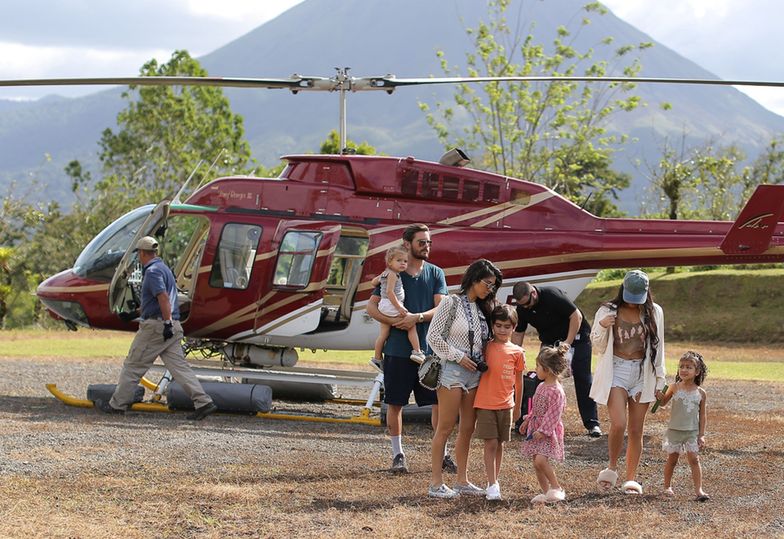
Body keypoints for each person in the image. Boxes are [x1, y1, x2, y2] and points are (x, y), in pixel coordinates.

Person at [95, 236, 218, 421]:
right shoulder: (164, 269)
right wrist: (134, 313)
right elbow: (157, 300)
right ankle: (204, 402)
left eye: (138, 254)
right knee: (180, 369)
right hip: (173, 326)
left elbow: (162, 298)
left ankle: (116, 405)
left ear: (142, 253)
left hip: (157, 327)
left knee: (133, 365)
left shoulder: (152, 272)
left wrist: (166, 323)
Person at [366, 224, 449, 473]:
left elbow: (442, 308)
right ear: (406, 244)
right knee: (395, 403)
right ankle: (398, 455)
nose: (427, 246)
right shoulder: (391, 272)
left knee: (438, 404)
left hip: (430, 352)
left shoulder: (436, 273)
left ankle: (443, 455)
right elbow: (371, 308)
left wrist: (418, 318)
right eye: (421, 242)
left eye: (429, 242)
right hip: (397, 350)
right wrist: (395, 322)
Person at [425, 258, 502, 498]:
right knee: (445, 427)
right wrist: (458, 356)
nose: (490, 290)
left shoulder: (482, 309)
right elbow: (433, 337)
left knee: (468, 428)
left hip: (474, 375)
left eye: (493, 287)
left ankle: (462, 480)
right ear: (475, 279)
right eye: (488, 284)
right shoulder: (451, 302)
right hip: (451, 370)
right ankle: (436, 483)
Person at [590, 269, 666, 495]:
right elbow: (598, 346)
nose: (633, 304)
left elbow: (659, 347)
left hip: (643, 373)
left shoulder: (655, 312)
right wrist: (603, 325)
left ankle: (631, 479)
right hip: (616, 370)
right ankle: (611, 468)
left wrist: (660, 379)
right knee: (619, 423)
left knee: (636, 429)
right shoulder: (607, 310)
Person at [512, 282, 601, 437]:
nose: (525, 307)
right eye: (522, 305)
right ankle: (537, 423)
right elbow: (518, 333)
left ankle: (592, 423)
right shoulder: (522, 308)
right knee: (542, 381)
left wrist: (568, 342)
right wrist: (514, 355)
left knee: (583, 378)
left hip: (577, 338)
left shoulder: (552, 295)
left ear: (533, 293)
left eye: (527, 303)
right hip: (550, 341)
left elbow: (576, 316)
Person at [473, 304, 525, 501]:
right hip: (485, 403)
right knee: (491, 443)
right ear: (492, 326)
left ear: (514, 327)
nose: (502, 330)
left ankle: (495, 479)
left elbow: (519, 382)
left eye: (507, 326)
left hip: (507, 405)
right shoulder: (485, 347)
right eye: (499, 326)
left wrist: (518, 406)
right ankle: (492, 482)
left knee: (500, 443)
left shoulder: (518, 352)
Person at [520, 342, 570, 504]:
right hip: (535, 429)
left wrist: (543, 431)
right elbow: (536, 408)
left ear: (547, 370)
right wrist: (528, 420)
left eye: (538, 366)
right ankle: (545, 492)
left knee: (541, 460)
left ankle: (556, 487)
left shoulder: (557, 391)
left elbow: (553, 415)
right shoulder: (541, 386)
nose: (536, 369)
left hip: (547, 432)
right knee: (536, 463)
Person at [658, 351, 709, 501]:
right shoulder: (674, 387)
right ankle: (667, 487)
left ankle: (699, 490)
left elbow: (703, 415)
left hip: (691, 432)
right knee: (672, 460)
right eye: (681, 366)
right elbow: (662, 403)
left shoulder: (701, 393)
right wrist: (660, 397)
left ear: (697, 372)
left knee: (694, 460)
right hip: (675, 431)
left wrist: (701, 435)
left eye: (688, 367)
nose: (684, 370)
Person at [369, 244, 425, 371]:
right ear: (390, 261)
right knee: (411, 324)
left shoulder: (385, 273)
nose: (403, 263)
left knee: (383, 334)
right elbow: (390, 292)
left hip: (384, 305)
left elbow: (373, 282)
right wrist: (399, 307)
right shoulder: (393, 274)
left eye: (405, 261)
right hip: (391, 305)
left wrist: (379, 279)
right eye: (399, 260)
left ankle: (377, 358)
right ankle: (417, 352)